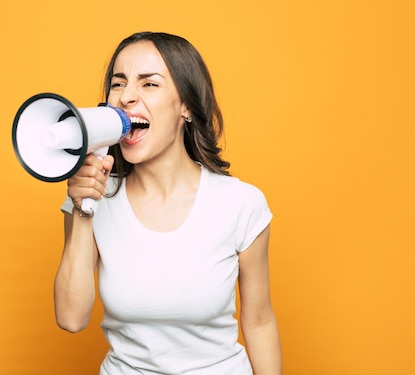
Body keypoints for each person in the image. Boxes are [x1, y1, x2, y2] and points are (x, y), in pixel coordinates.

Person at [54, 31, 282, 375]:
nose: (127, 96)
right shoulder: (91, 198)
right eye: (118, 84)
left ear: (186, 105)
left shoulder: (241, 203)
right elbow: (71, 318)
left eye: (149, 84)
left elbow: (260, 321)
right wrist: (83, 210)